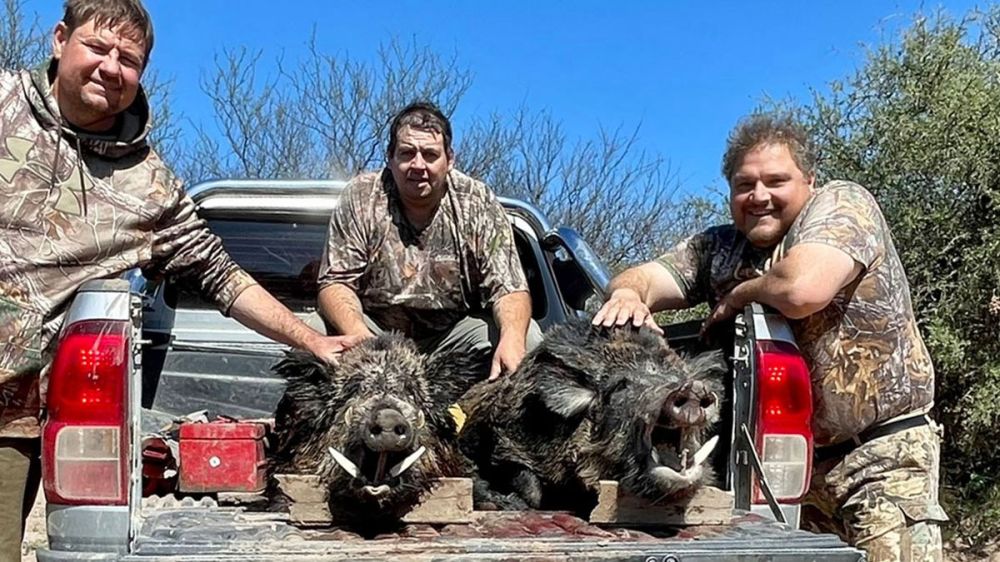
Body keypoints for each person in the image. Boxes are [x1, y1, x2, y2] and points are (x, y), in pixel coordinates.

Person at [0, 1, 359, 558]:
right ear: (59, 39)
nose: (110, 68)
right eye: (97, 47)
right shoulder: (3, 102)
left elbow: (222, 275)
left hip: (12, 418)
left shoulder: (150, 186)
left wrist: (313, 341)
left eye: (129, 59)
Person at [593, 113, 947, 561]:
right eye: (745, 185)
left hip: (880, 458)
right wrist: (628, 295)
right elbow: (644, 277)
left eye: (776, 181)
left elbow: (802, 290)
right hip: (785, 473)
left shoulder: (843, 206)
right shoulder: (719, 246)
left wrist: (739, 294)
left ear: (810, 181)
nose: (759, 196)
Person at [317, 101, 542, 381]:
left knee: (527, 336)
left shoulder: (477, 201)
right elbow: (335, 282)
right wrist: (361, 338)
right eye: (407, 153)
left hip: (451, 339)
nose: (418, 165)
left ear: (450, 159)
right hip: (373, 332)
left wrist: (512, 340)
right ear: (389, 157)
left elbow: (510, 288)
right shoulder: (361, 196)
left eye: (430, 154)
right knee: (311, 331)